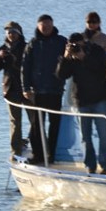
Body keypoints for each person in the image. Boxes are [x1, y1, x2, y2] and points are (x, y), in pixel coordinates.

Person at [57, 32, 106, 174]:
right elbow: (61, 75)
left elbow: (101, 68)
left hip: (99, 98)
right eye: (72, 45)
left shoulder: (96, 50)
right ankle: (90, 165)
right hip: (81, 101)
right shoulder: (70, 57)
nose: (76, 47)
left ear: (84, 41)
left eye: (77, 44)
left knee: (104, 135)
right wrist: (65, 58)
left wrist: (84, 58)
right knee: (85, 137)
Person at [22, 14, 69, 166]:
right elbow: (25, 67)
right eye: (43, 26)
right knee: (37, 126)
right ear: (38, 26)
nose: (46, 28)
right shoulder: (33, 44)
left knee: (55, 124)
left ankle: (53, 154)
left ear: (53, 25)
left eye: (48, 25)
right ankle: (38, 154)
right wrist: (25, 88)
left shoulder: (61, 42)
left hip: (55, 90)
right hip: (37, 91)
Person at [0, 20, 28, 157]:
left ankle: (33, 144)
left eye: (14, 32)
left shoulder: (26, 47)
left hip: (26, 87)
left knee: (35, 119)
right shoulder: (3, 49)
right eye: (9, 32)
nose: (11, 35)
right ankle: (15, 150)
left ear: (19, 34)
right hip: (11, 89)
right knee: (15, 121)